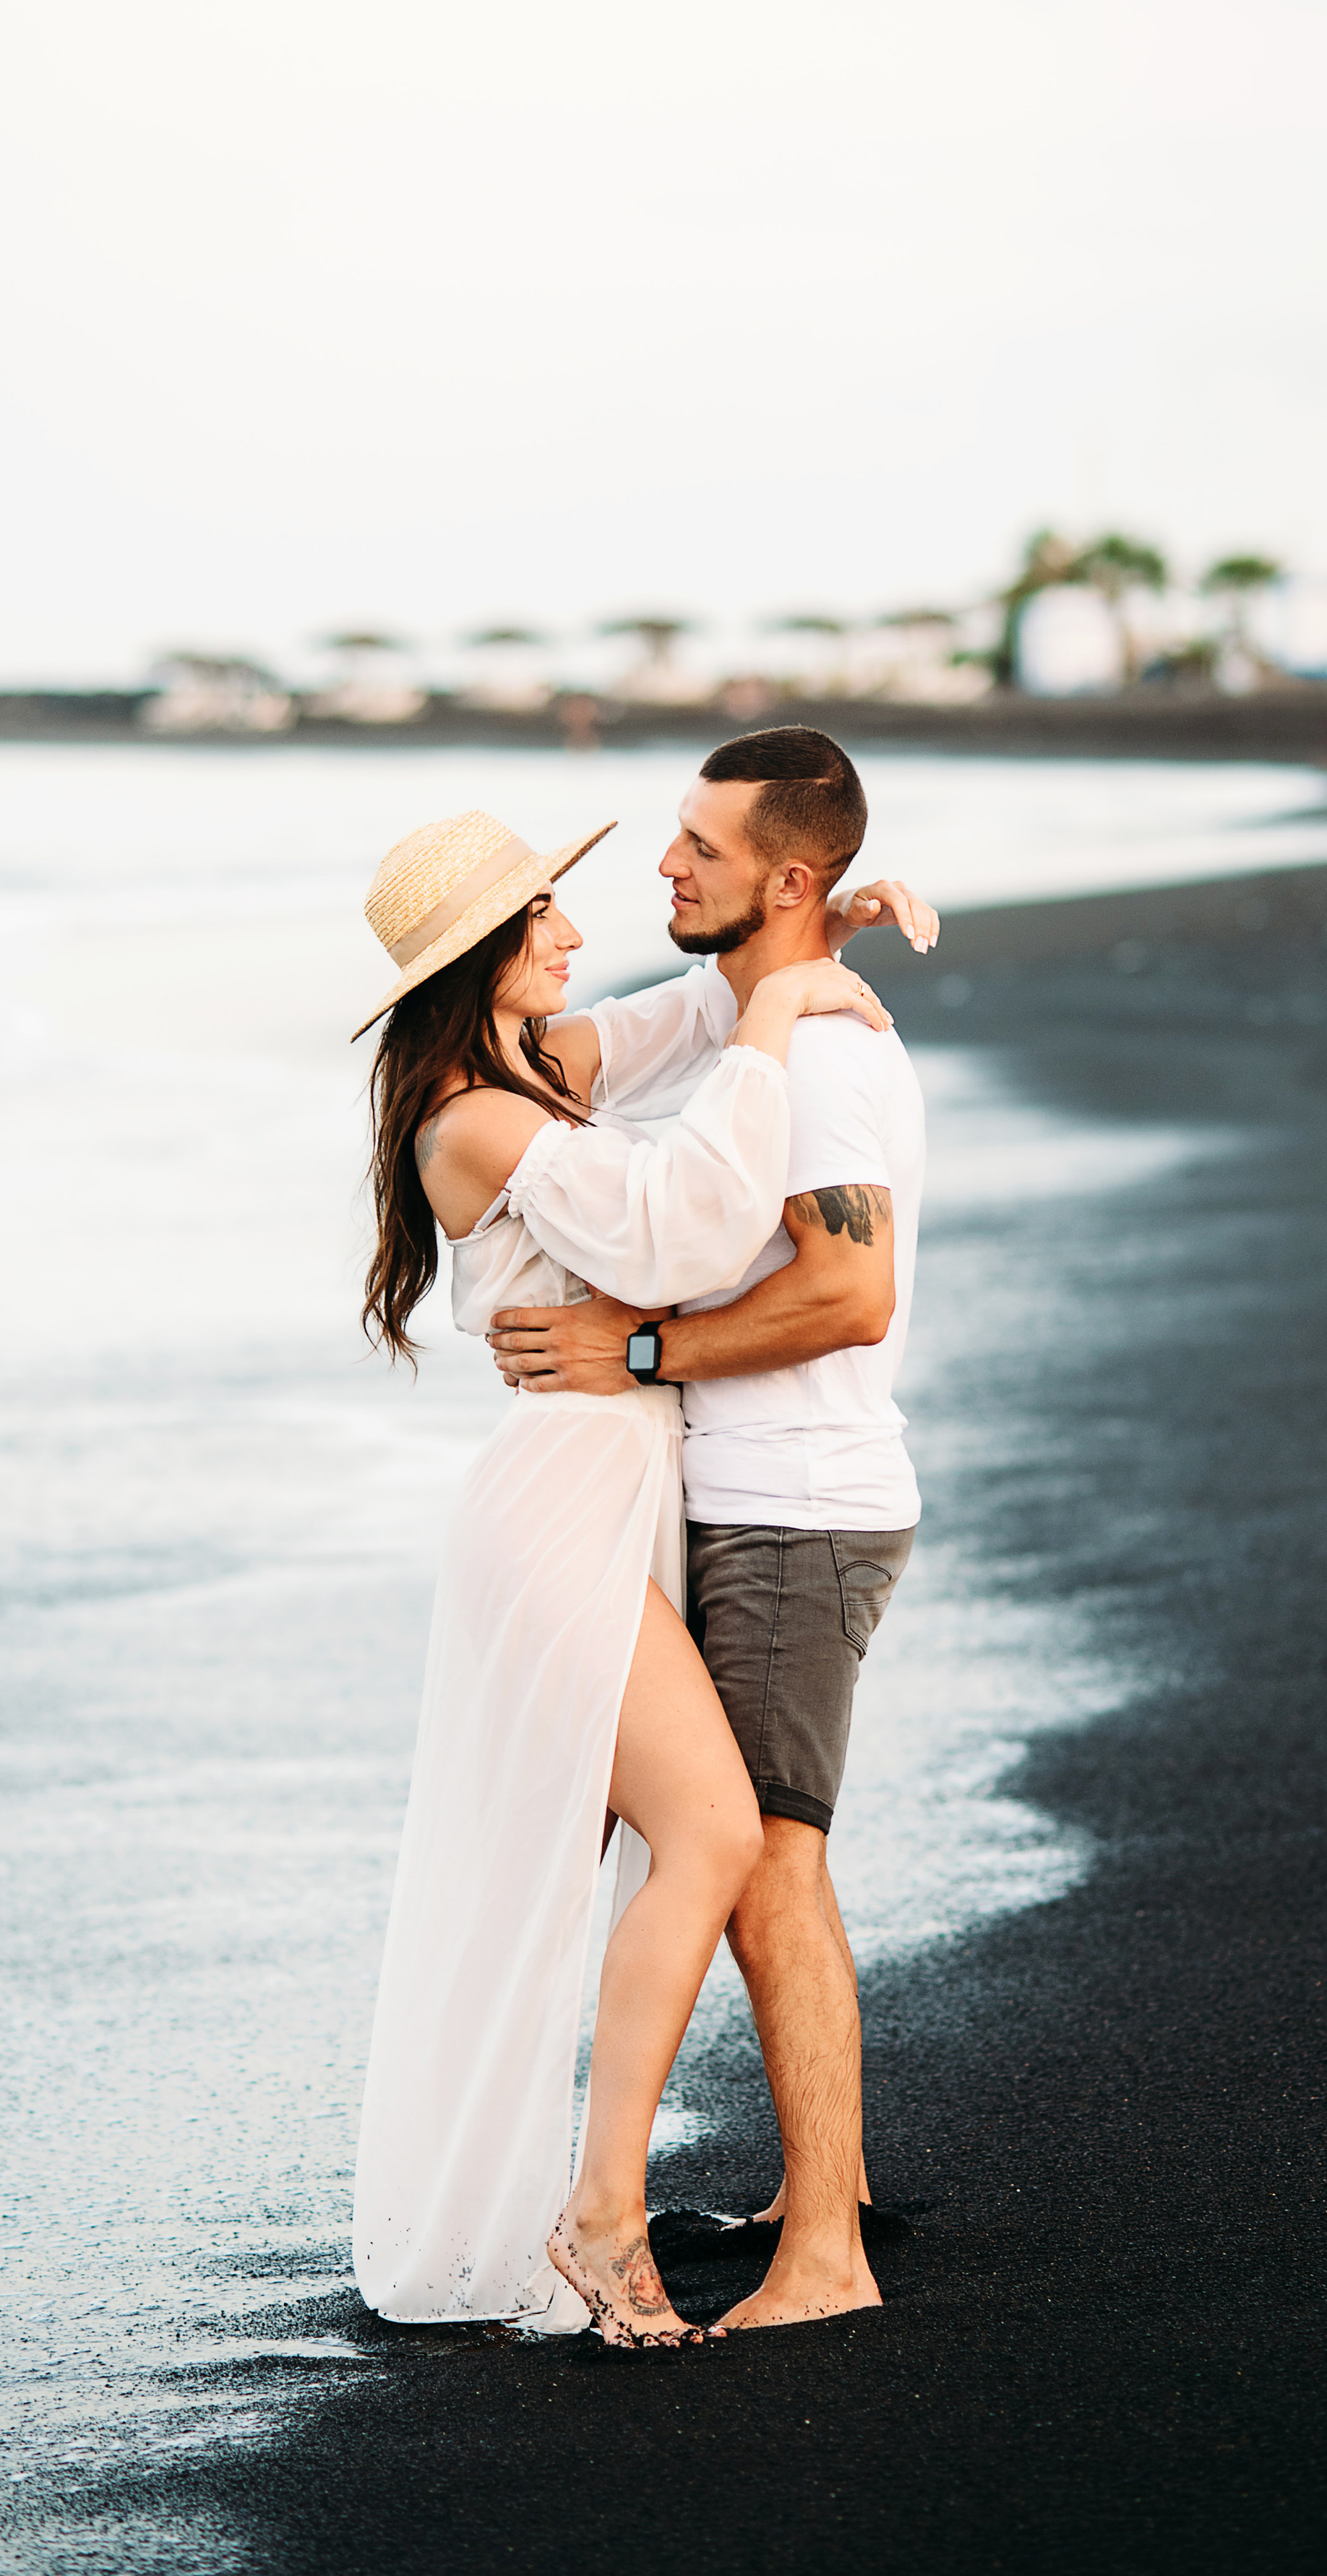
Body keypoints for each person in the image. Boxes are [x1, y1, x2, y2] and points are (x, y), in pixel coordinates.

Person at [348, 803, 896, 2348]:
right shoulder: (473, 1114)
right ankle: (600, 2210)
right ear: (485, 953)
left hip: (605, 1494)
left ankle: (589, 2206)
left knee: (642, 1848)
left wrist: (803, 945)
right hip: (556, 1511)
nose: (575, 936)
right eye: (544, 919)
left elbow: (677, 1025)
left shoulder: (540, 1070)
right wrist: (781, 1014)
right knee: (713, 1831)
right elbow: (680, 1228)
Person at [486, 728, 937, 2327]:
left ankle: (824, 2254)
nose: (662, 870)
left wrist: (643, 1352)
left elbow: (847, 1287)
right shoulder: (747, 1026)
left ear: (784, 877)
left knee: (770, 1872)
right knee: (757, 1858)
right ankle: (830, 2193)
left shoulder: (816, 1064)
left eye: (699, 847)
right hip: (740, 1506)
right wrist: (809, 950)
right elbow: (611, 1060)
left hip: (789, 1510)